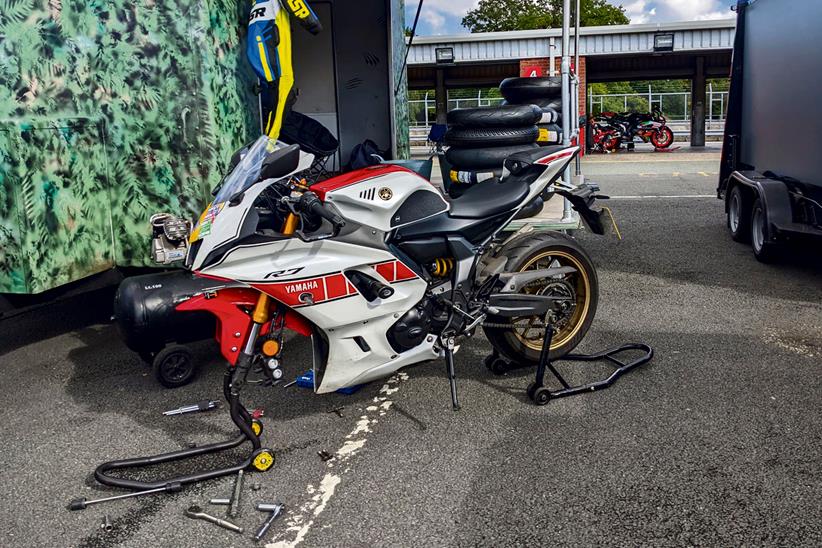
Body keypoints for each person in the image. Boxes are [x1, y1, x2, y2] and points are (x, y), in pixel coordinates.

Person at [246, 0, 322, 140]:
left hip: (258, 44)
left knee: (275, 93)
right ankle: (267, 145)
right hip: (268, 42)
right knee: (283, 87)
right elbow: (297, 5)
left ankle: (267, 142)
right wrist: (313, 24)